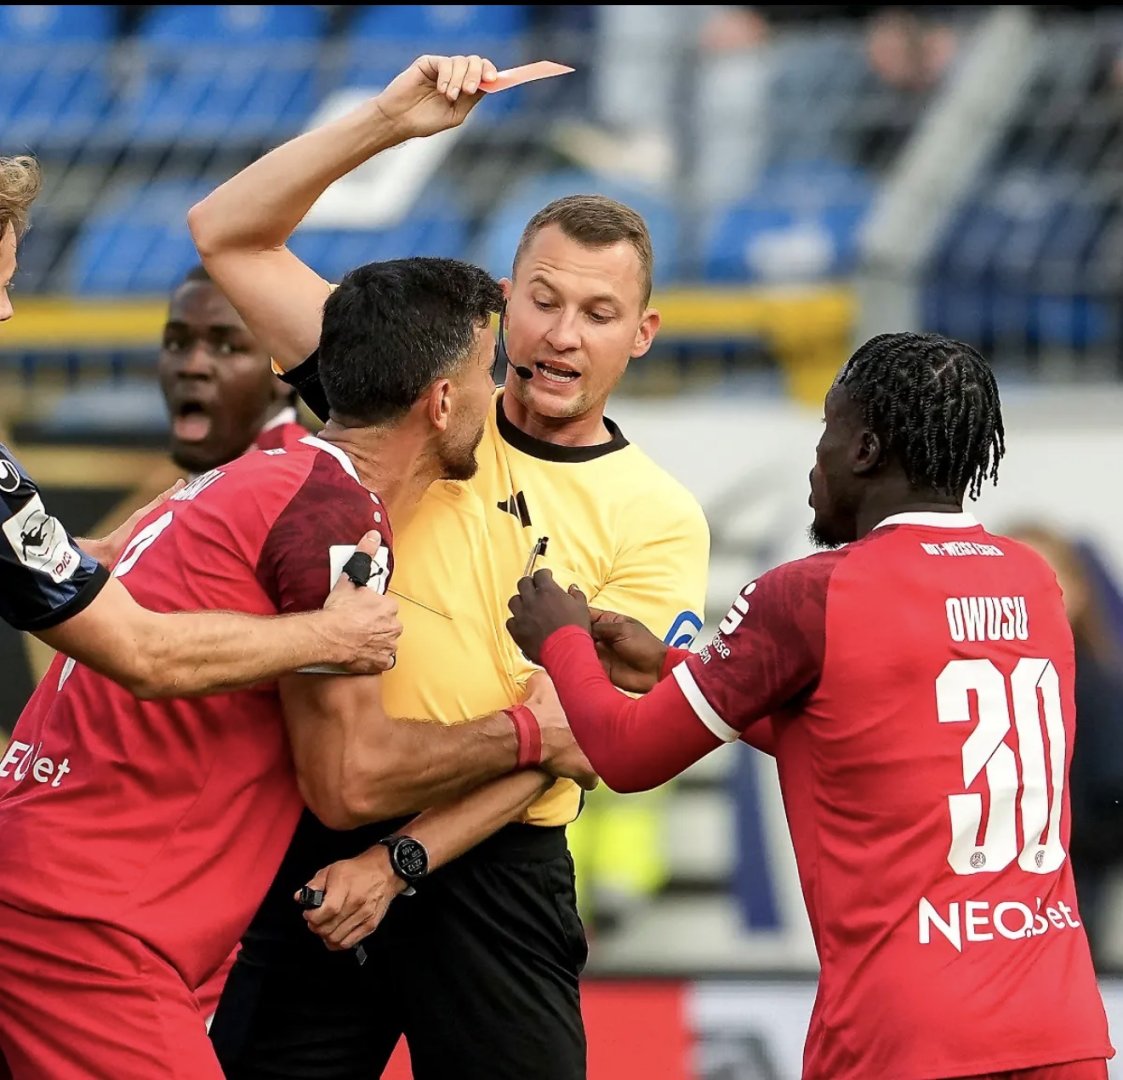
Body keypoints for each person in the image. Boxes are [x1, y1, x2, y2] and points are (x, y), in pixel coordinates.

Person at [188, 53, 709, 1080]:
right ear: (507, 299)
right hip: (312, 844)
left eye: (598, 316)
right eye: (545, 301)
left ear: (641, 334)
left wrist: (399, 861)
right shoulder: (407, 383)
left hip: (488, 874)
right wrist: (390, 121)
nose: (561, 336)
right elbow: (226, 234)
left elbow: (569, 740)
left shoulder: (657, 516)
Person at [0, 253, 592, 1080]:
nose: (498, 397)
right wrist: (534, 733)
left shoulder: (240, 482)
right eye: (486, 372)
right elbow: (347, 781)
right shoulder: (335, 513)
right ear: (443, 398)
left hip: (53, 898)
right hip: (90, 931)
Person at [507, 332, 1115, 1080]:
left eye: (826, 430)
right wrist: (674, 667)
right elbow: (859, 737)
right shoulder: (1031, 581)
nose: (814, 459)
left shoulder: (810, 592)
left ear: (862, 449)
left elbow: (628, 757)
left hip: (904, 1036)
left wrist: (562, 640)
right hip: (1058, 1024)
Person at [0, 154, 400, 693]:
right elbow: (142, 654)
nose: (7, 310)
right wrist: (330, 635)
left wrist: (91, 555)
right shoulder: (305, 491)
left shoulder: (306, 482)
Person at [1006, 522, 1123, 970]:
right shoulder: (960, 687)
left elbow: (1113, 817)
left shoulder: (1095, 692)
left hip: (1062, 922)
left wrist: (1041, 837)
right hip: (972, 922)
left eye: (1042, 580)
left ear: (1076, 592)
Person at [160, 263, 308, 479]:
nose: (192, 367)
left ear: (284, 367)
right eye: (176, 344)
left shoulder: (307, 492)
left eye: (227, 348)